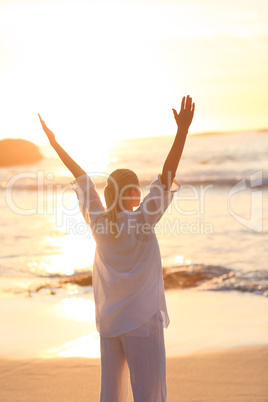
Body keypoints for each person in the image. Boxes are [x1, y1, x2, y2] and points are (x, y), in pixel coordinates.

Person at [38, 95, 195, 402]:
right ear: (133, 192)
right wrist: (182, 132)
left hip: (110, 324)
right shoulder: (143, 219)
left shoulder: (98, 221)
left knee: (111, 396)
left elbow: (81, 178)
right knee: (149, 396)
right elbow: (166, 178)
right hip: (141, 322)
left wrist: (55, 144)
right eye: (136, 187)